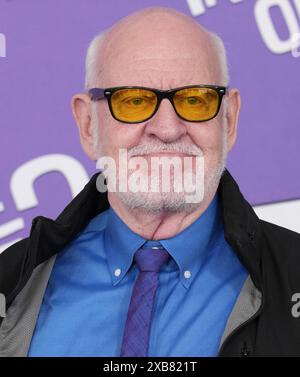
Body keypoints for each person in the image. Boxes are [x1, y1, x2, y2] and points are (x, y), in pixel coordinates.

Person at [0, 6, 300, 357]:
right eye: (134, 101)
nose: (168, 129)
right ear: (88, 126)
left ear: (229, 120)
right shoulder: (13, 281)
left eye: (194, 99)